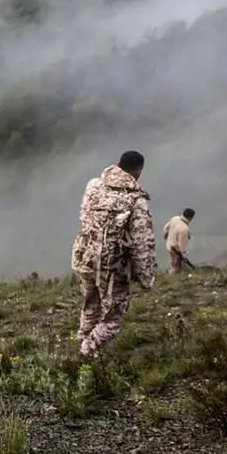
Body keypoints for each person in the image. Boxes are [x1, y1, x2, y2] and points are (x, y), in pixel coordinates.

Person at [71, 151, 156, 359]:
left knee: (91, 303)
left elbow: (84, 216)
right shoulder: (136, 200)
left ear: (117, 164)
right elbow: (142, 243)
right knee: (113, 317)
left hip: (84, 257)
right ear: (138, 173)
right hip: (111, 266)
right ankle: (86, 353)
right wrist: (146, 277)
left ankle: (84, 341)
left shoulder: (93, 185)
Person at [162, 208, 196, 274]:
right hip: (176, 250)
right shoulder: (184, 229)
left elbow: (165, 229)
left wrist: (166, 237)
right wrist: (184, 256)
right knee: (176, 267)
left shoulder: (175, 218)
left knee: (174, 263)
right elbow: (182, 246)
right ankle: (171, 279)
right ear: (190, 217)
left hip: (169, 245)